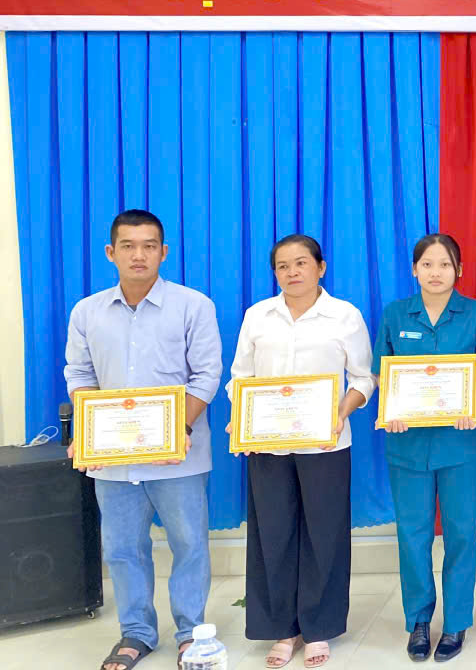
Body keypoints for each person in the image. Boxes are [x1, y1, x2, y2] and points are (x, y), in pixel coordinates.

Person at [64, 209, 223, 670]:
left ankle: (191, 633)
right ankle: (136, 632)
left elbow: (206, 375)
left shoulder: (194, 306)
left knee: (189, 544)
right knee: (122, 548)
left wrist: (179, 428)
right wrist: (88, 431)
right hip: (113, 459)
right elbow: (80, 374)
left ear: (163, 252)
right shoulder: (87, 311)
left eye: (149, 246)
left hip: (180, 455)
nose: (139, 255)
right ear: (111, 252)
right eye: (128, 246)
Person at [226, 234, 375, 668]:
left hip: (326, 442)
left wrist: (341, 413)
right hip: (267, 445)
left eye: (301, 263)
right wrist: (243, 416)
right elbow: (240, 378)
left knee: (324, 536)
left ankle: (318, 627)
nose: (292, 272)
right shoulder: (258, 316)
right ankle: (281, 628)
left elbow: (363, 378)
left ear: (320, 267)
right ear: (275, 273)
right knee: (272, 535)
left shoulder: (344, 316)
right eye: (283, 266)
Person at [373, 233, 476, 663]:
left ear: (458, 270)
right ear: (414, 269)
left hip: (460, 442)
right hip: (407, 443)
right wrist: (392, 405)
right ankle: (418, 620)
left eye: (445, 264)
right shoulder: (395, 314)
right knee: (413, 536)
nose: (435, 272)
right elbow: (382, 372)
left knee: (462, 534)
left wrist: (468, 403)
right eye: (427, 264)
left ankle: (456, 622)